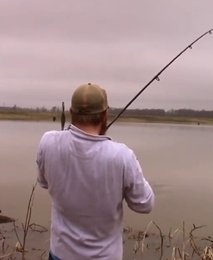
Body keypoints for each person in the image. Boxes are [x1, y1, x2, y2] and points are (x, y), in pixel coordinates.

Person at [35, 83, 155, 260]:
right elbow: (145, 204)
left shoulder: (48, 142)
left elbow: (44, 182)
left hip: (60, 255)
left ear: (71, 112)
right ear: (105, 114)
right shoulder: (122, 156)